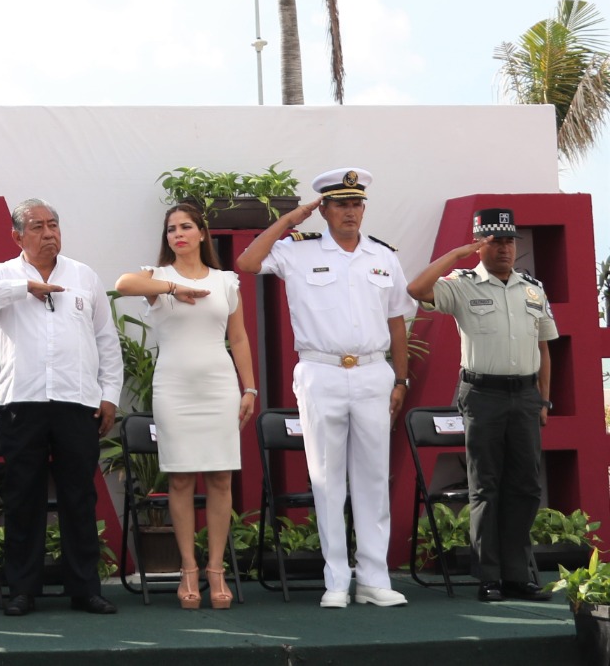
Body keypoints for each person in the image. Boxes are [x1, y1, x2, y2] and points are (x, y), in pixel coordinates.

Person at [236, 168, 415, 608]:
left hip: (374, 371)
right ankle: (336, 579)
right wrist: (293, 218)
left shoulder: (382, 255)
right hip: (322, 371)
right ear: (325, 209)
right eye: (340, 204)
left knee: (373, 477)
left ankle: (374, 577)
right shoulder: (298, 251)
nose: (350, 211)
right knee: (327, 478)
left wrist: (402, 377)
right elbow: (247, 262)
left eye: (356, 203)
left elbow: (397, 321)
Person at [0, 198, 123, 617]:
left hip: (77, 402)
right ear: (17, 236)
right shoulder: (2, 276)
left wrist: (110, 394)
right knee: (24, 498)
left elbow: (106, 340)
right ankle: (22, 589)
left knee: (78, 497)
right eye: (37, 226)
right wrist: (25, 288)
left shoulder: (83, 276)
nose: (48, 233)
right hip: (23, 402)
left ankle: (85, 588)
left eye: (53, 225)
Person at [407, 207, 557, 602]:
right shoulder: (461, 283)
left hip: (526, 395)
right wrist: (456, 255)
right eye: (495, 241)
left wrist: (543, 399)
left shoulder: (532, 288)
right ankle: (488, 577)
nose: (505, 248)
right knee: (485, 487)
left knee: (525, 487)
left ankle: (517, 576)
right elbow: (417, 290)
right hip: (482, 395)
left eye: (509, 240)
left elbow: (543, 347)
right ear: (480, 245)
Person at [115, 202, 257, 610]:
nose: (177, 234)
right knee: (179, 479)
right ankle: (188, 569)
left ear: (201, 233)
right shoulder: (156, 277)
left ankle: (216, 570)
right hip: (174, 386)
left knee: (220, 479)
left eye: (185, 226)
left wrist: (250, 389)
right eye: (171, 229)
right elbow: (123, 284)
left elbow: (240, 339)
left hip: (219, 385)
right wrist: (173, 288)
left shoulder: (226, 280)